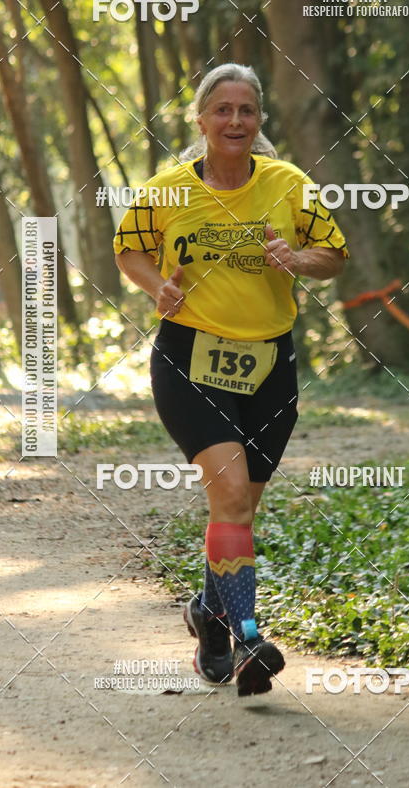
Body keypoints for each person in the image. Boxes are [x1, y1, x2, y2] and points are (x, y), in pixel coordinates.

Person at [113, 63, 347, 697]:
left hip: (270, 364)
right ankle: (246, 636)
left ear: (259, 119)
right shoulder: (167, 190)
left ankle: (208, 615)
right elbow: (128, 248)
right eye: (223, 109)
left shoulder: (289, 184)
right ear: (201, 119)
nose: (235, 121)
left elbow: (333, 256)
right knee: (233, 498)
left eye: (246, 110)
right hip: (190, 359)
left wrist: (296, 258)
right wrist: (156, 286)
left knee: (239, 509)